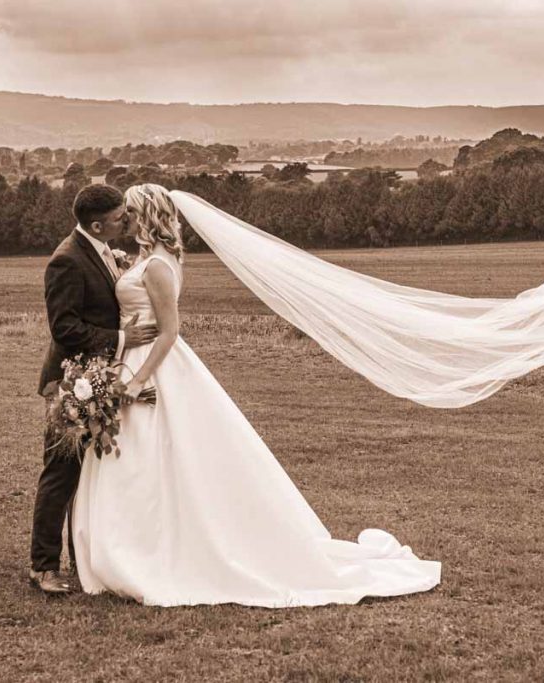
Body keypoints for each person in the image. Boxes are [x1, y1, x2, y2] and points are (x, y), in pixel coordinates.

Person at [71, 184, 442, 606]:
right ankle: (134, 543)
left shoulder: (156, 265)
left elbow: (170, 332)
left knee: (153, 458)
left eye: (131, 214)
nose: (125, 221)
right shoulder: (149, 259)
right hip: (135, 357)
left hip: (151, 367)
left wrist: (136, 383)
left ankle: (153, 550)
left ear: (147, 215)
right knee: (145, 459)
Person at [29, 184, 158, 595]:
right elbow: (64, 328)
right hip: (71, 382)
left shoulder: (102, 250)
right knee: (61, 473)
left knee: (92, 476)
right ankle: (43, 567)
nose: (127, 222)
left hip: (100, 377)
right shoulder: (66, 261)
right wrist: (121, 339)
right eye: (121, 217)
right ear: (98, 224)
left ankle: (83, 559)